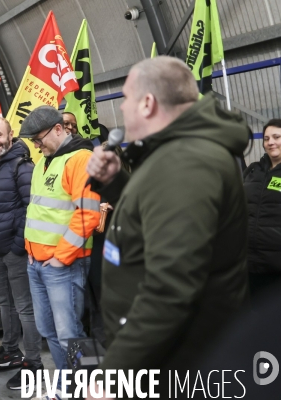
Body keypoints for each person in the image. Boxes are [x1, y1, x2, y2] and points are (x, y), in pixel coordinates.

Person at [85, 56, 250, 398]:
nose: (123, 108)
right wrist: (116, 181)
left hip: (178, 363)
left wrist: (113, 374)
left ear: (147, 103)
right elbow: (150, 216)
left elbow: (171, 287)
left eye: (126, 98)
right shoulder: (173, 153)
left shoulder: (185, 162)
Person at [17, 105, 100, 399]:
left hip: (64, 264)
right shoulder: (44, 162)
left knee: (71, 333)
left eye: (39, 139)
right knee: (48, 329)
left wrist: (59, 258)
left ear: (58, 129)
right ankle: (67, 386)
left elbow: (87, 214)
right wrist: (31, 250)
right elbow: (39, 210)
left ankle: (87, 389)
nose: (36, 146)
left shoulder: (81, 159)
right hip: (38, 263)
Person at [0, 117, 43, 389]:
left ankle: (34, 363)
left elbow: (30, 209)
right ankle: (11, 350)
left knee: (24, 307)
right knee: (5, 302)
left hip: (14, 250)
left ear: (10, 135)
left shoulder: (22, 167)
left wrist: (17, 246)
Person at [243, 118, 281, 298]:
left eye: (276, 137)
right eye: (267, 138)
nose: (271, 142)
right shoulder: (253, 170)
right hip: (249, 264)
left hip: (276, 266)